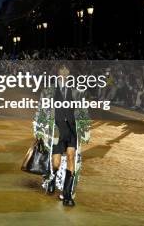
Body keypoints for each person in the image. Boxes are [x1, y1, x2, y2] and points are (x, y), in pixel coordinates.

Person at [33, 64, 91, 208]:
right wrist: (39, 130)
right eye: (61, 74)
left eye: (67, 74)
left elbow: (83, 112)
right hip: (56, 130)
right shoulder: (48, 91)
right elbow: (41, 109)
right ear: (57, 75)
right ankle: (52, 178)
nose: (64, 76)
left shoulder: (77, 92)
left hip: (72, 130)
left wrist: (85, 130)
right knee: (56, 162)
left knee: (72, 156)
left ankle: (67, 195)